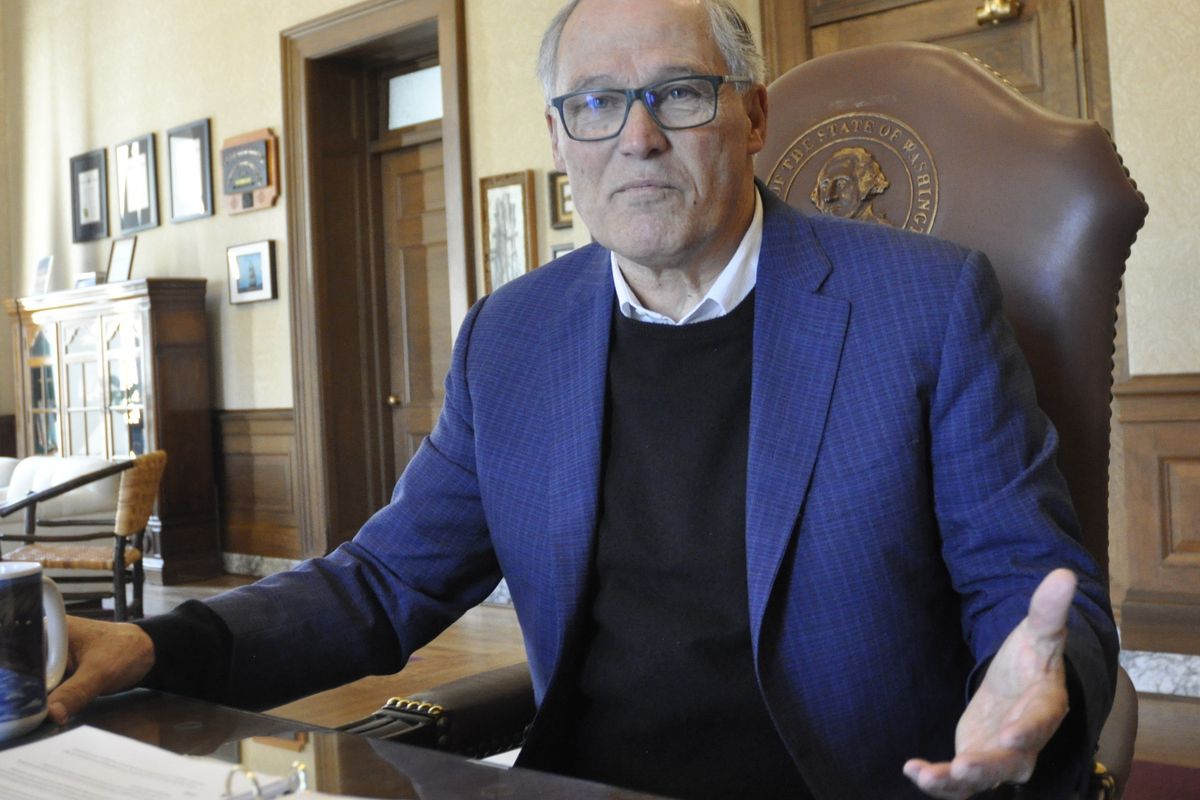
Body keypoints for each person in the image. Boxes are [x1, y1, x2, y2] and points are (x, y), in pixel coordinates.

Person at [51, 1, 1118, 798]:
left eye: (679, 94)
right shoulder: (513, 337)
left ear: (750, 117)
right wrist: (157, 643)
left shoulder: (924, 306)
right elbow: (378, 584)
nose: (637, 136)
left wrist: (1039, 682)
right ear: (559, 143)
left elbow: (1027, 588)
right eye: (596, 106)